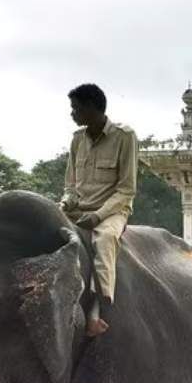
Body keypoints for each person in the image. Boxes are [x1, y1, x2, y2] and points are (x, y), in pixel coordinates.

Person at [60, 83, 139, 337]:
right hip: (79, 208)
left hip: (112, 211)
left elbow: (126, 189)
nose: (72, 114)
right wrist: (63, 204)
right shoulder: (76, 140)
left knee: (104, 240)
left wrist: (97, 216)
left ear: (92, 108)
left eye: (76, 108)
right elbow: (71, 187)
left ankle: (100, 310)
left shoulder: (124, 137)